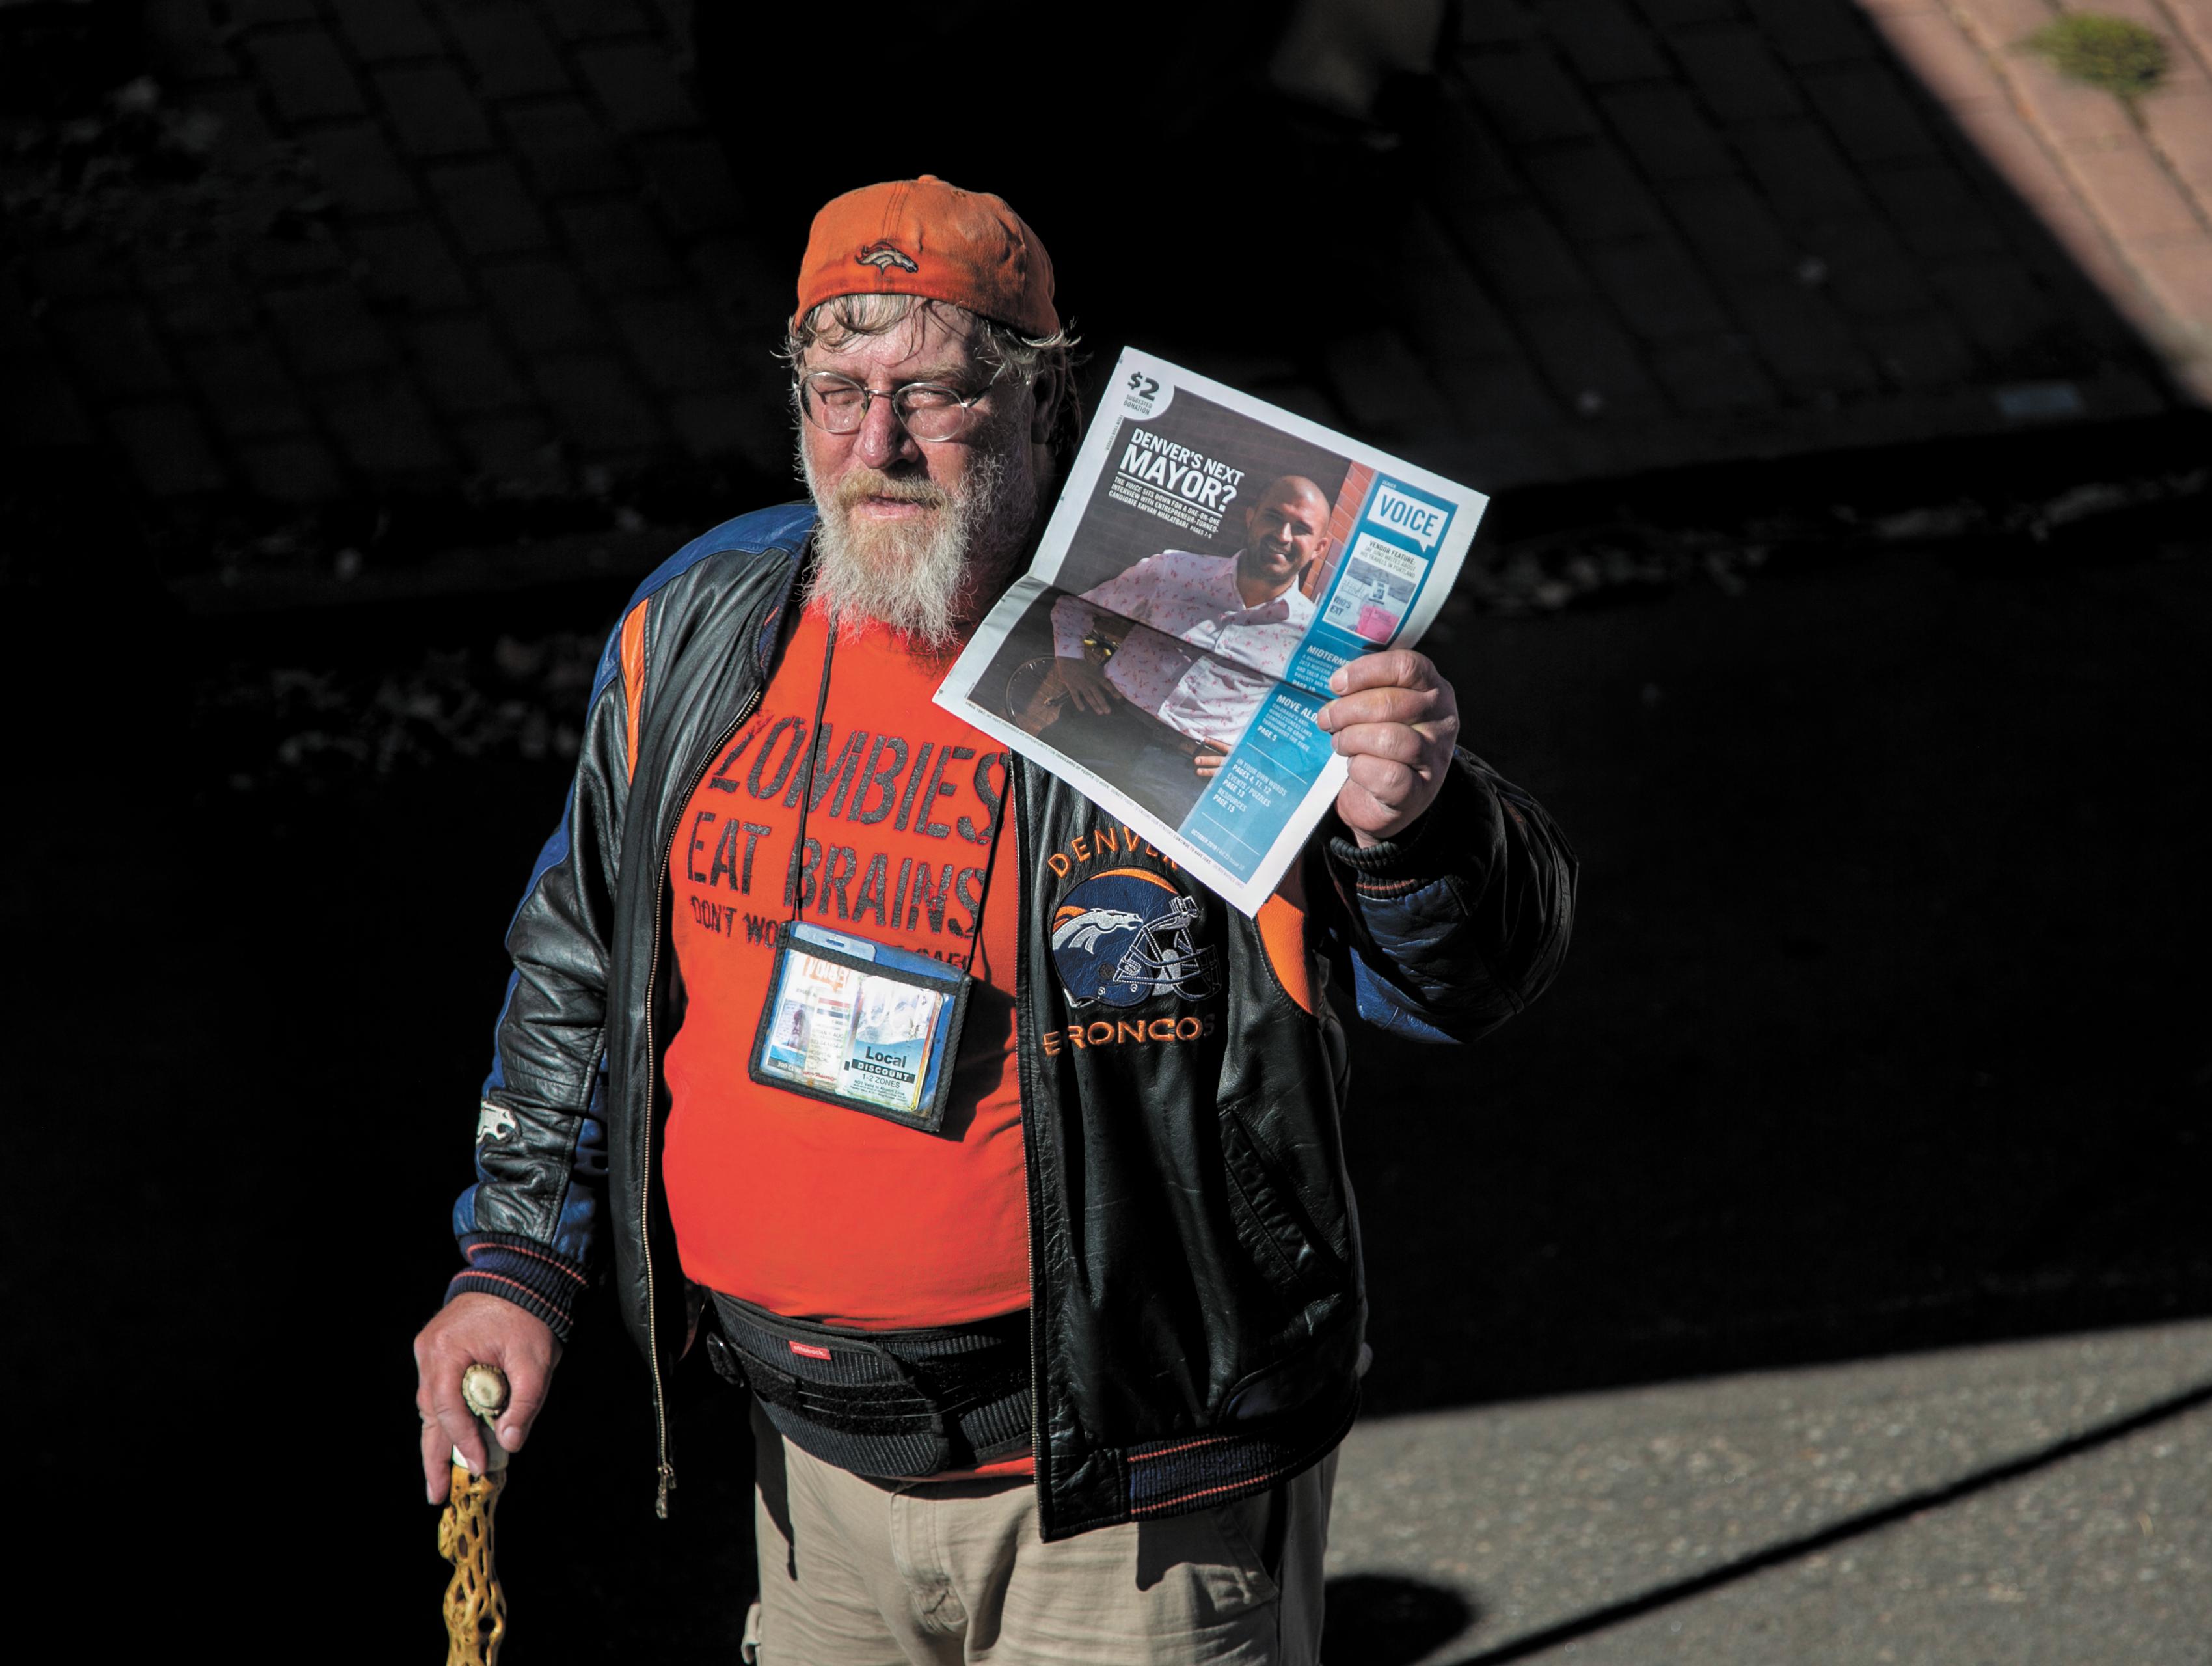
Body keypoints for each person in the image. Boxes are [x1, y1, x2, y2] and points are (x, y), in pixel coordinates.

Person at [410, 174, 1574, 1665]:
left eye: (933, 396)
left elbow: (1478, 971)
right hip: (812, 1464)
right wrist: (515, 1262)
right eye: (836, 391)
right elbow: (583, 953)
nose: (876, 445)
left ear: (1042, 406)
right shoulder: (700, 620)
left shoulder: (1179, 654)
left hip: (1135, 1492)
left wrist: (1413, 825)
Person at [1032, 476, 1330, 823]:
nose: (1283, 536)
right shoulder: (1175, 570)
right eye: (1274, 517)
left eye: (1301, 528)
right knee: (1031, 821)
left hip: (1186, 778)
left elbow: (1322, 729)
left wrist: (1261, 763)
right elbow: (1075, 606)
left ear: (1319, 548)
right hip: (1100, 728)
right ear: (1251, 517)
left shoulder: (1313, 638)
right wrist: (1069, 660)